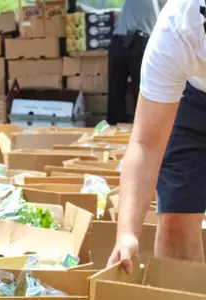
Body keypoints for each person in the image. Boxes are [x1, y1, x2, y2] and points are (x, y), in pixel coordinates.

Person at [107, 0, 206, 273]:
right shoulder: (176, 30)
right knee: (177, 217)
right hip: (194, 94)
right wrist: (127, 233)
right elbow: (146, 144)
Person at [106, 0, 166, 125]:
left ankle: (141, 129)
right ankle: (114, 127)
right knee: (116, 90)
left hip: (143, 41)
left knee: (141, 90)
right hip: (120, 38)